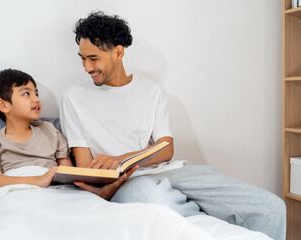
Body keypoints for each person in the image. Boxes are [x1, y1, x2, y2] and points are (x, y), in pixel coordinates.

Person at [60, 12, 286, 240]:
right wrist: (111, 183)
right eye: (82, 58)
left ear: (118, 52)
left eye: (93, 58)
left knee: (270, 207)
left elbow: (166, 149)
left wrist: (119, 159)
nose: (87, 67)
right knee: (156, 202)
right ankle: (209, 221)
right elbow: (85, 166)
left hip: (175, 172)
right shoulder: (73, 97)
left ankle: (198, 209)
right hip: (128, 182)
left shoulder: (151, 90)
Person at [0, 68, 135, 198]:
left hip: (53, 192)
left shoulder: (49, 130)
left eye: (36, 94)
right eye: (26, 93)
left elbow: (68, 174)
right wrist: (39, 180)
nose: (36, 99)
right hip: (16, 193)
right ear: (3, 105)